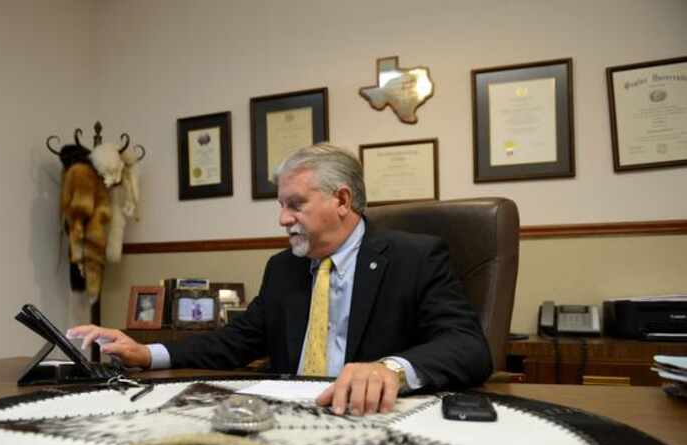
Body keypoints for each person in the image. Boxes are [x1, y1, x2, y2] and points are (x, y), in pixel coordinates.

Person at [68, 143, 492, 415]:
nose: (282, 218)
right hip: (289, 421)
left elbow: (468, 346)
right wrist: (147, 352)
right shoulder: (284, 267)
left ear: (341, 200)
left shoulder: (413, 257)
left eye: (295, 204)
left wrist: (391, 371)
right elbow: (234, 342)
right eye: (281, 205)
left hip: (374, 422)